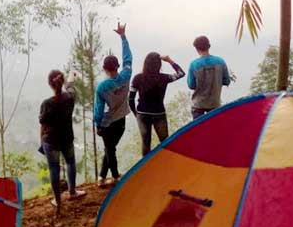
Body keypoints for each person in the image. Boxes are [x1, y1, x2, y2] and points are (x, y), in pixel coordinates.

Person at [39, 69, 86, 212]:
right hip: (66, 138)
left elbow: (43, 124)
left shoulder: (47, 104)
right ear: (62, 82)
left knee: (54, 169)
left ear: (50, 84)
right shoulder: (69, 98)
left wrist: (41, 141)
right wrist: (71, 76)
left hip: (51, 140)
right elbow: (70, 85)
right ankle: (72, 192)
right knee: (70, 162)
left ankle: (58, 201)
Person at [94, 22, 132, 187]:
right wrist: (123, 37)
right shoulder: (126, 75)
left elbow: (98, 110)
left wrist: (98, 125)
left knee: (110, 149)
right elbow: (128, 58)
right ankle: (102, 177)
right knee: (110, 149)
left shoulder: (103, 87)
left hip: (108, 123)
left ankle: (114, 176)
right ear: (117, 66)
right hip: (121, 119)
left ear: (104, 68)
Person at [129, 53, 185, 156]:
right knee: (165, 143)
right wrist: (169, 60)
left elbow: (130, 99)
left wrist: (136, 114)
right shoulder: (164, 78)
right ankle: (167, 166)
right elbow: (181, 73)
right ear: (159, 64)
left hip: (142, 114)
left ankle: (145, 169)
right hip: (159, 113)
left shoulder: (137, 78)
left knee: (146, 143)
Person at [187, 35, 231, 120]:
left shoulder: (194, 64)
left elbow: (191, 85)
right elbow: (227, 81)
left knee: (199, 132)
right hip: (215, 104)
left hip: (198, 105)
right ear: (209, 46)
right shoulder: (220, 62)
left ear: (196, 48)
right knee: (215, 131)